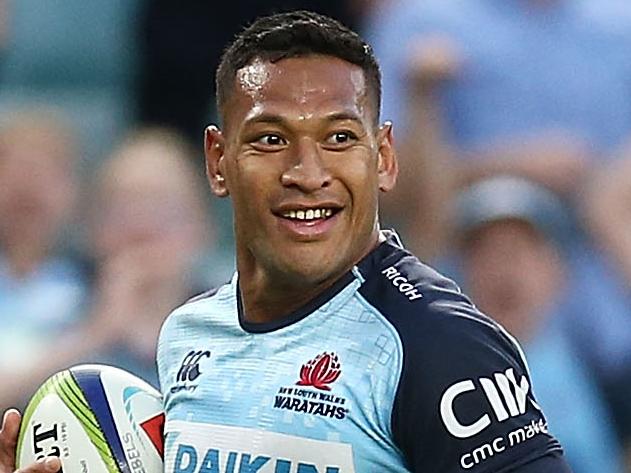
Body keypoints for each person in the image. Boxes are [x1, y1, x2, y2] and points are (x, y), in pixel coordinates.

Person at [0, 11, 571, 473]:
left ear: (385, 158)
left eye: (340, 137)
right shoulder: (187, 334)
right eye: (271, 139)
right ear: (218, 162)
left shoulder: (441, 347)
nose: (307, 171)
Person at [453, 176, 625, 473]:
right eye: (486, 253)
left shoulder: (604, 371)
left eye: (520, 251)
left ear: (556, 269)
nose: (504, 270)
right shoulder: (432, 377)